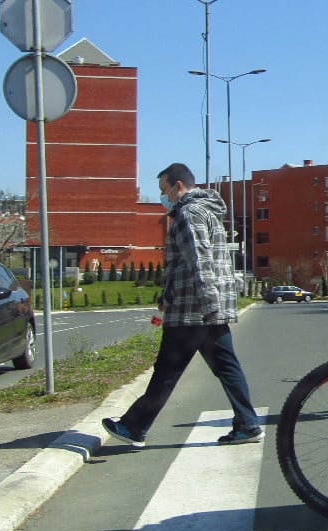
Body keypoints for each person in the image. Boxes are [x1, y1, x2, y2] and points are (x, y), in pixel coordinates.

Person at [102, 163, 264, 447]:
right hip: (204, 308)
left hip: (194, 310)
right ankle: (248, 424)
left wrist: (207, 304)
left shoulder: (189, 214)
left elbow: (199, 261)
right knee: (227, 367)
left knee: (167, 371)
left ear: (179, 186)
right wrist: (168, 296)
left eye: (165, 190)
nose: (164, 197)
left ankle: (133, 427)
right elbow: (185, 263)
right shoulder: (207, 212)